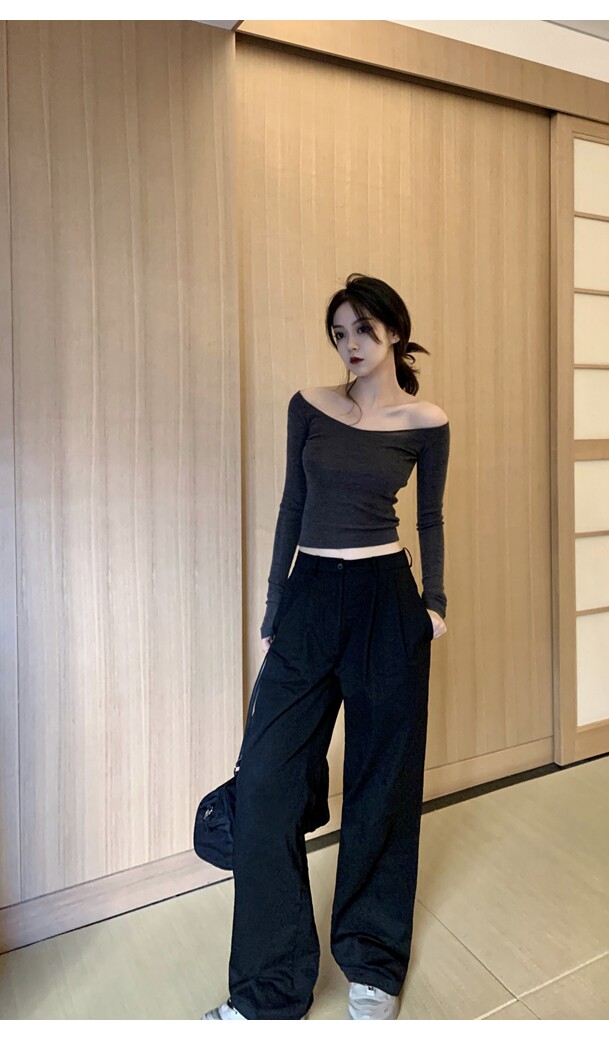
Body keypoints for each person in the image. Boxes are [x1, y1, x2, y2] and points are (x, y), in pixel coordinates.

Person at [203, 273, 450, 1021]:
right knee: (267, 783)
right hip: (309, 597)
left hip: (386, 600)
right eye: (340, 333)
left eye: (363, 330)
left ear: (394, 332)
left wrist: (434, 604)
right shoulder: (308, 406)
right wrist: (275, 607)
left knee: (383, 784)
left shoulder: (427, 421)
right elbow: (292, 504)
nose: (350, 345)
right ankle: (268, 992)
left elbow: (430, 518)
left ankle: (372, 965)